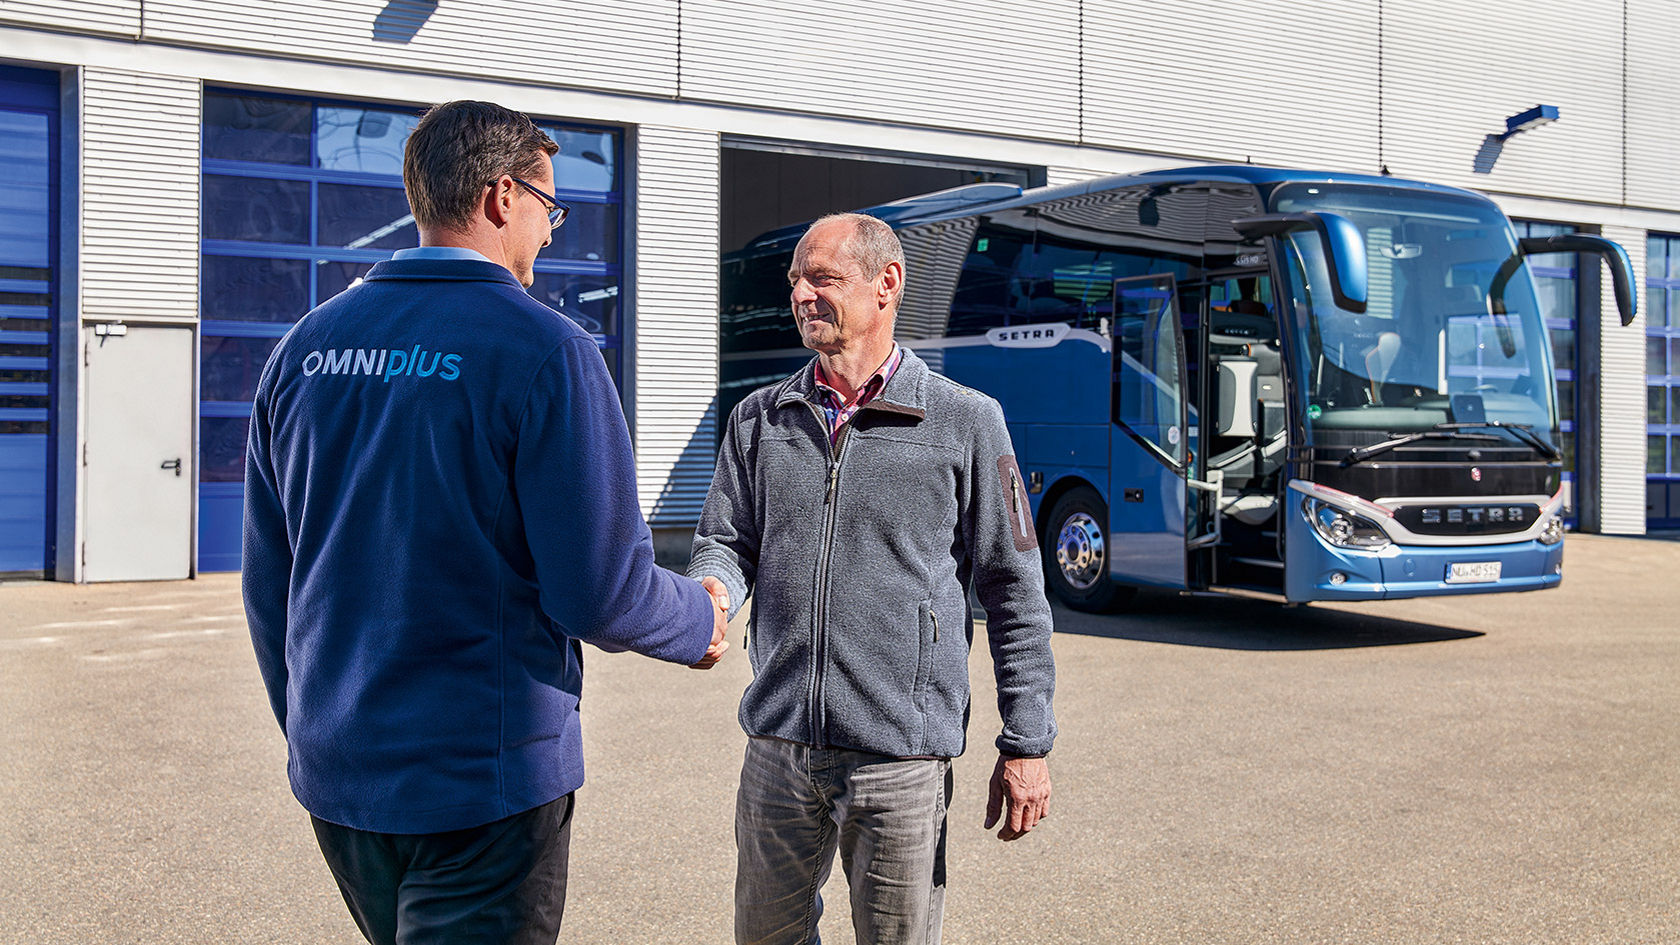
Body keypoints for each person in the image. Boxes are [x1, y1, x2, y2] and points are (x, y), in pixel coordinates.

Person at [242, 100, 726, 945]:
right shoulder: (546, 349)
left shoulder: (305, 349)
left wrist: (316, 730)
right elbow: (600, 590)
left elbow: (269, 581)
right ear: (504, 196)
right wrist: (700, 618)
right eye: (550, 206)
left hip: (343, 783)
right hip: (481, 787)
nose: (550, 230)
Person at [689, 212, 1057, 945]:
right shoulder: (759, 420)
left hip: (900, 761)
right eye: (795, 280)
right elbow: (724, 541)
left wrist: (1027, 741)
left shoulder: (966, 423)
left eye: (821, 277)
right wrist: (714, 587)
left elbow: (1014, 593)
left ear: (887, 283)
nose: (800, 294)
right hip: (779, 749)